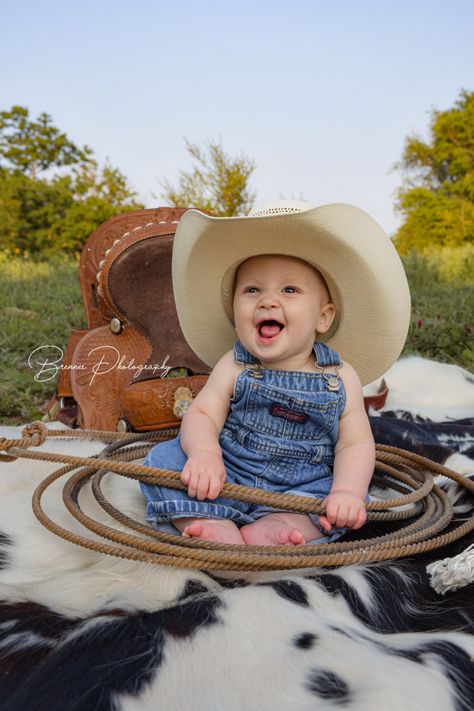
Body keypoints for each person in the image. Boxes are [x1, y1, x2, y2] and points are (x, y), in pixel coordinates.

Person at [140, 200, 411, 546]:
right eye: (252, 290)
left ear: (323, 318)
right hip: (226, 477)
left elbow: (355, 442)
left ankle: (276, 527)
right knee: (162, 461)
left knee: (338, 504)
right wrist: (204, 454)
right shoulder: (235, 364)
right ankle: (211, 520)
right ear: (234, 307)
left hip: (300, 489)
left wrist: (347, 491)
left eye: (289, 290)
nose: (267, 301)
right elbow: (203, 413)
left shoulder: (341, 377)